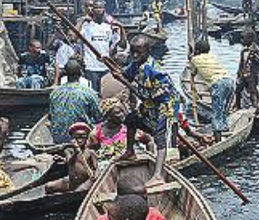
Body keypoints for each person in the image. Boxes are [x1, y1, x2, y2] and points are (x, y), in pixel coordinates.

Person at [119, 27, 182, 187]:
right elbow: (125, 75)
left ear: (147, 51)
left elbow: (157, 94)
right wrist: (112, 66)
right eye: (132, 52)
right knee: (130, 119)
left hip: (165, 104)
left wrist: (131, 86)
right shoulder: (136, 63)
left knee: (160, 138)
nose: (134, 56)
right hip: (150, 103)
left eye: (138, 53)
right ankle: (130, 151)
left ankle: (158, 175)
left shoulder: (153, 69)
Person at [190, 38, 235, 140]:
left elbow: (193, 73)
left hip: (218, 84)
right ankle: (225, 130)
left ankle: (218, 139)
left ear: (197, 51)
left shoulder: (194, 59)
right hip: (229, 81)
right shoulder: (213, 56)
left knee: (216, 112)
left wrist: (192, 57)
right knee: (223, 111)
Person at [89, 97, 155, 166]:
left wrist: (151, 161)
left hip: (130, 167)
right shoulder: (97, 132)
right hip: (107, 170)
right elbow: (90, 150)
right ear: (108, 116)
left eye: (123, 111)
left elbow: (149, 141)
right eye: (118, 112)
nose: (122, 115)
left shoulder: (130, 129)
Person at [49, 60, 103, 144]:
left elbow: (51, 117)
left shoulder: (54, 93)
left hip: (58, 138)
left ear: (65, 74)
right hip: (80, 138)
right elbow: (98, 117)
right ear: (81, 73)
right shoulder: (89, 92)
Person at [45, 122, 98, 195]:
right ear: (72, 138)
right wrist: (76, 152)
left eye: (83, 137)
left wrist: (94, 176)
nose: (79, 140)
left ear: (87, 138)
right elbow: (70, 162)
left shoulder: (91, 152)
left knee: (78, 192)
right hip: (71, 181)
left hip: (85, 181)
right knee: (48, 186)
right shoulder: (68, 150)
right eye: (77, 137)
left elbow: (96, 168)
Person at [81, 0, 120, 93]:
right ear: (92, 10)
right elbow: (74, 37)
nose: (98, 10)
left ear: (104, 10)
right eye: (96, 8)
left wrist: (119, 29)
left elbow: (118, 42)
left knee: (105, 94)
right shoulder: (86, 25)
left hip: (106, 67)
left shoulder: (108, 26)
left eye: (100, 8)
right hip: (91, 67)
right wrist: (82, 20)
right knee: (93, 93)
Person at [234, 29, 259, 111]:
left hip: (252, 75)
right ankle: (237, 106)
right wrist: (238, 74)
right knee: (238, 90)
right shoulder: (243, 50)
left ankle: (255, 107)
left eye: (244, 38)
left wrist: (255, 57)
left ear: (250, 39)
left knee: (252, 91)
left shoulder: (256, 49)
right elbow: (241, 63)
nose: (242, 40)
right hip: (243, 73)